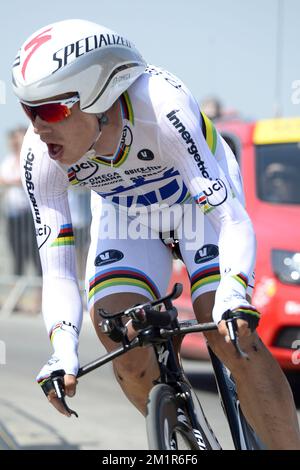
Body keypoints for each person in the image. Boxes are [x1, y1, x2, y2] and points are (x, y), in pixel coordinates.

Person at [12, 19, 300, 449]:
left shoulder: (161, 105)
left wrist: (235, 293)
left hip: (198, 208)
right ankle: (178, 432)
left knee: (229, 336)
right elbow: (56, 269)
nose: (37, 126)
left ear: (97, 95)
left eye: (51, 110)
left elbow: (232, 221)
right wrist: (62, 352)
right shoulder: (40, 155)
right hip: (126, 215)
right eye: (27, 110)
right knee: (117, 334)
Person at [0, 127, 41, 276]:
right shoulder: (8, 160)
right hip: (12, 216)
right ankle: (18, 295)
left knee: (36, 257)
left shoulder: (30, 158)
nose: (14, 142)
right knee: (17, 255)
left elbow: (24, 179)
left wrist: (13, 181)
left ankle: (39, 296)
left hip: (30, 215)